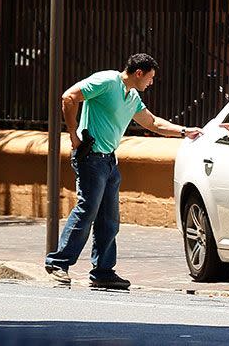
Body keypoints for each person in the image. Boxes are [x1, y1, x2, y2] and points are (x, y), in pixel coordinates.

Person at [45, 53, 203, 289]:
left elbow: (153, 123)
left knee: (109, 219)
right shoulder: (107, 81)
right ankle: (58, 264)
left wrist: (184, 131)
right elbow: (70, 97)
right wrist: (74, 136)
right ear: (138, 73)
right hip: (91, 157)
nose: (151, 82)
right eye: (150, 77)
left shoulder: (132, 97)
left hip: (109, 161)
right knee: (87, 210)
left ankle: (103, 272)